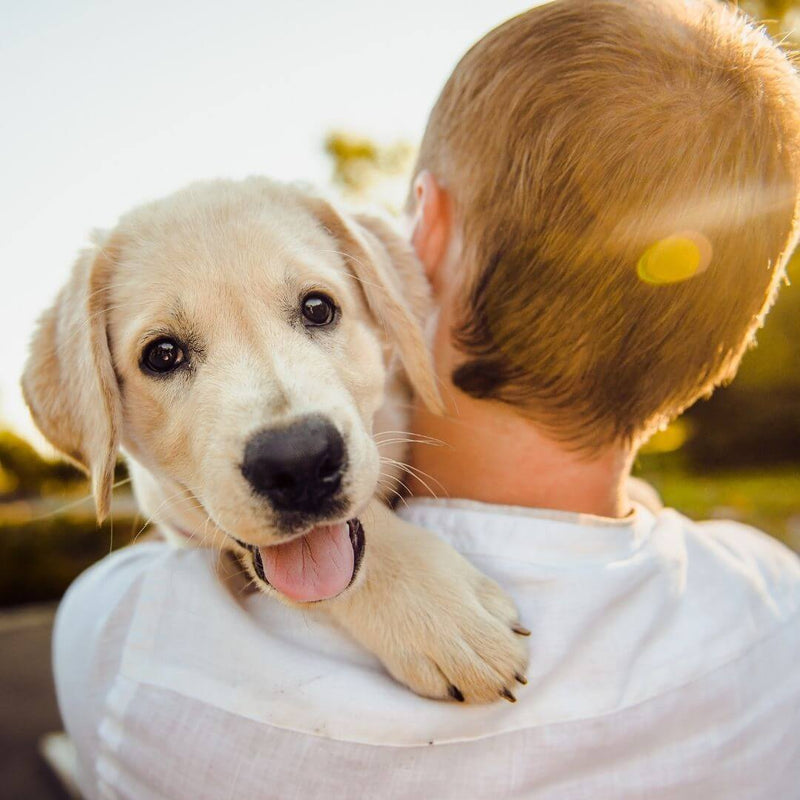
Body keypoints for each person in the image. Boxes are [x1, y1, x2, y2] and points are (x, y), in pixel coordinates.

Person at [53, 1, 800, 798]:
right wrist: (378, 565)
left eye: (315, 310)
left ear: (424, 235)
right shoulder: (774, 606)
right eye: (166, 355)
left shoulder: (126, 641)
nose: (287, 431)